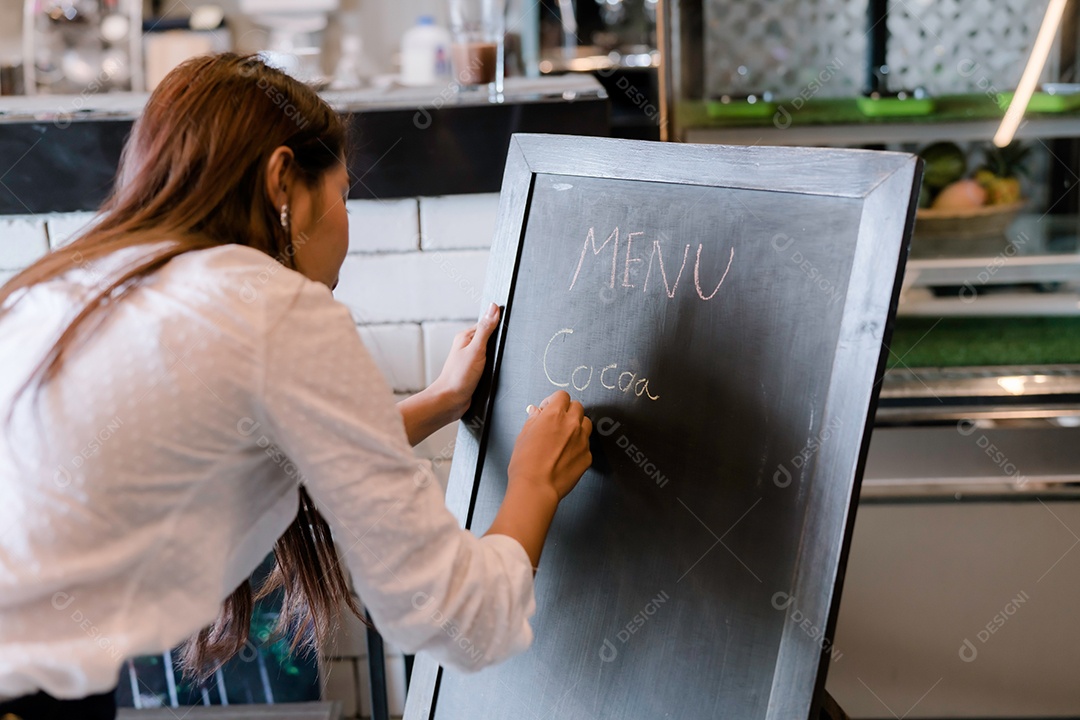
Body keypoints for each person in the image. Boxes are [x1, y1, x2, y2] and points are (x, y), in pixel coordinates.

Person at [0, 53, 592, 719]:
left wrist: (439, 402)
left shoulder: (72, 285)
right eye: (343, 193)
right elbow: (456, 617)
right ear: (283, 179)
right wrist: (535, 484)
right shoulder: (272, 309)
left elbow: (250, 448)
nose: (346, 225)